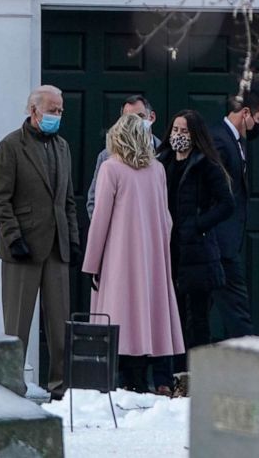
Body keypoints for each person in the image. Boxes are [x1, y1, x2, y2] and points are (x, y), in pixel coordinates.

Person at [81, 114, 184, 395]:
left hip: (118, 257)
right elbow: (166, 218)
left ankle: (126, 381)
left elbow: (100, 218)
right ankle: (144, 379)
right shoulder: (157, 170)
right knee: (146, 315)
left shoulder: (111, 168)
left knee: (118, 317)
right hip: (151, 256)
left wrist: (92, 263)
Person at [0, 85, 79, 401]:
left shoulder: (63, 147)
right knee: (17, 326)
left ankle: (61, 386)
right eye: (52, 109)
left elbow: (67, 200)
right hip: (21, 249)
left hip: (56, 247)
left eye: (60, 110)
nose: (57, 115)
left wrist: (73, 239)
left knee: (60, 325)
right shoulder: (11, 146)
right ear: (33, 110)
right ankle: (12, 385)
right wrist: (14, 238)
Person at [156, 110, 235, 372]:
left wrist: (198, 224)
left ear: (195, 134)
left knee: (198, 317)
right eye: (175, 130)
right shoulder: (162, 161)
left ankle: (198, 374)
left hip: (198, 251)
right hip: (170, 247)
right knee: (173, 315)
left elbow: (226, 204)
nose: (178, 136)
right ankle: (175, 373)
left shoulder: (207, 164)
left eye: (184, 131)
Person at [208, 90, 259, 339]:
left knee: (205, 309)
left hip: (226, 240)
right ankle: (250, 358)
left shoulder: (235, 141)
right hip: (218, 242)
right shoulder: (219, 140)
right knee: (236, 306)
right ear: (245, 113)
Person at [86, 95, 159, 219]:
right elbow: (94, 201)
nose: (134, 122)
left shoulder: (164, 153)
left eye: (140, 116)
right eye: (129, 118)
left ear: (151, 117)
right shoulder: (107, 156)